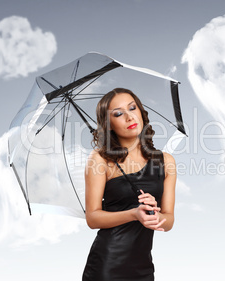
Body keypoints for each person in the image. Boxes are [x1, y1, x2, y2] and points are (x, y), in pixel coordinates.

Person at [82, 88, 177, 281]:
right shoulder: (100, 159)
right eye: (118, 113)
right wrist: (134, 214)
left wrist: (154, 214)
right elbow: (92, 218)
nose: (129, 117)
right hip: (107, 265)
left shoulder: (166, 161)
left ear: (141, 111)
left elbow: (168, 222)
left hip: (143, 268)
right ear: (109, 125)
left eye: (132, 108)